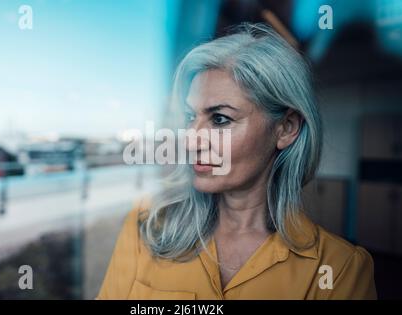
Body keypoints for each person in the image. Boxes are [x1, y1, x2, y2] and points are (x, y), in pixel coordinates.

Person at [97, 23, 377, 300]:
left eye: (220, 119)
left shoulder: (339, 270)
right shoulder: (147, 225)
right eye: (191, 117)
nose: (191, 140)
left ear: (287, 128)